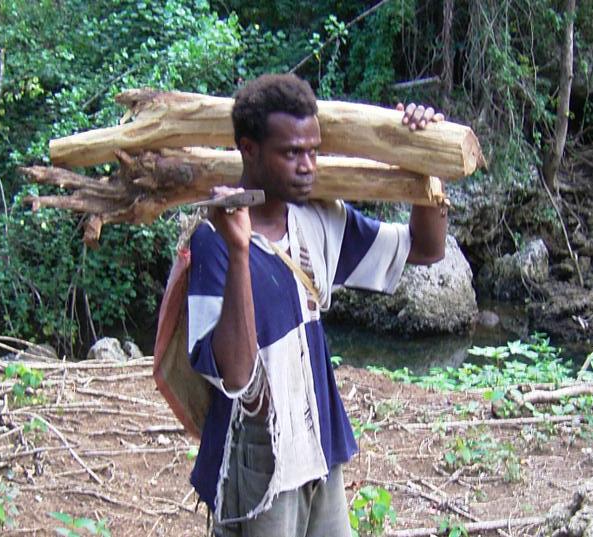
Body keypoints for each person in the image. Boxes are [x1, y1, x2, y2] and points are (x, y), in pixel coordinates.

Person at [186, 73, 447, 536]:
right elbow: (236, 374)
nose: (307, 165)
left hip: (318, 445)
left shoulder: (318, 219)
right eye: (291, 153)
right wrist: (242, 249)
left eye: (313, 151)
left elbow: (425, 249)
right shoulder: (213, 243)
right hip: (258, 463)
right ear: (248, 149)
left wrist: (424, 160)